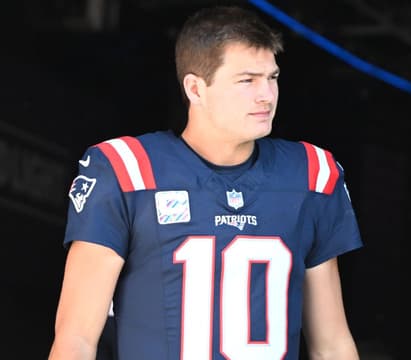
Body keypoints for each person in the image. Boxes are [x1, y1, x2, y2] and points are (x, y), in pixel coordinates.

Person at [48, 4, 363, 359]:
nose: (266, 95)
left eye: (272, 77)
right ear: (196, 89)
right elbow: (76, 338)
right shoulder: (127, 172)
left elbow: (332, 344)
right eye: (247, 80)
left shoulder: (311, 174)